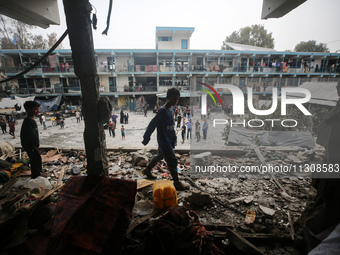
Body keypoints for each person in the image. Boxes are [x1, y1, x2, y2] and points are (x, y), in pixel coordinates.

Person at [142, 87, 189, 191]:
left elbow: (171, 127)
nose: (175, 101)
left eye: (177, 99)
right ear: (167, 97)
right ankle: (176, 182)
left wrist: (174, 139)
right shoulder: (163, 111)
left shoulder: (170, 109)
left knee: (160, 155)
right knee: (172, 160)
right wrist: (146, 138)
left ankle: (147, 169)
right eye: (174, 98)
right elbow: (152, 124)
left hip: (169, 141)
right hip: (164, 141)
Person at [20, 101, 42, 179]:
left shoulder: (31, 120)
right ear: (29, 110)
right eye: (36, 109)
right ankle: (35, 175)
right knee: (35, 160)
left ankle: (38, 173)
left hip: (33, 145)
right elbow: (31, 135)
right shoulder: (28, 121)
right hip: (30, 145)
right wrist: (35, 145)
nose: (38, 111)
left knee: (37, 159)